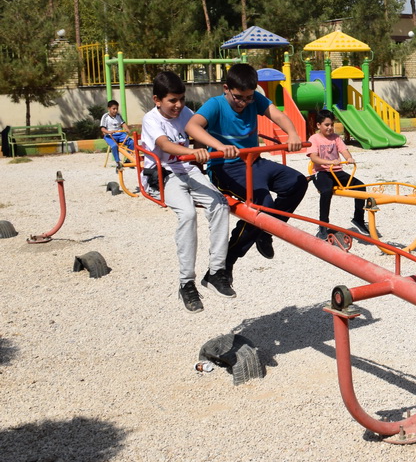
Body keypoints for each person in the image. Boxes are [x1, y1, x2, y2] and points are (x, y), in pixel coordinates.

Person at [186, 63, 307, 276]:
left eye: (249, 97)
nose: (244, 103)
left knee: (297, 182)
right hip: (225, 167)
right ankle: (227, 262)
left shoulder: (255, 100)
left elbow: (278, 115)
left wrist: (293, 134)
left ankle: (266, 230)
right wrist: (220, 146)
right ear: (226, 88)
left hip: (254, 162)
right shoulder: (215, 105)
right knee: (263, 203)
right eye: (238, 97)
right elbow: (192, 126)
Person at [140, 71, 235, 313]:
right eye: (172, 100)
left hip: (187, 169)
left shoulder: (186, 113)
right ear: (157, 100)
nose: (178, 105)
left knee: (220, 204)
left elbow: (198, 132)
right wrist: (193, 153)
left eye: (181, 99)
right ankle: (186, 283)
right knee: (187, 214)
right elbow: (164, 145)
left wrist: (209, 148)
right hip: (163, 173)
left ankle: (216, 272)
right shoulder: (151, 120)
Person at [307, 110, 368, 239]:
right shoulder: (314, 139)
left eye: (331, 125)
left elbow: (344, 151)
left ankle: (358, 219)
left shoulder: (336, 138)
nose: (330, 128)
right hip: (322, 172)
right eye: (326, 125)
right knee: (326, 191)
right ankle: (323, 226)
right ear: (319, 125)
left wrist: (349, 158)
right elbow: (314, 158)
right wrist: (329, 162)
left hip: (337, 172)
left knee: (361, 187)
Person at [100, 99, 134, 169]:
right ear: (109, 109)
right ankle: (118, 162)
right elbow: (102, 129)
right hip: (110, 135)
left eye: (117, 109)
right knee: (114, 146)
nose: (115, 110)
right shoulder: (105, 117)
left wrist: (127, 129)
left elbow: (123, 123)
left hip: (120, 134)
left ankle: (128, 159)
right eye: (114, 109)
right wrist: (109, 132)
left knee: (131, 142)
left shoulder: (118, 115)